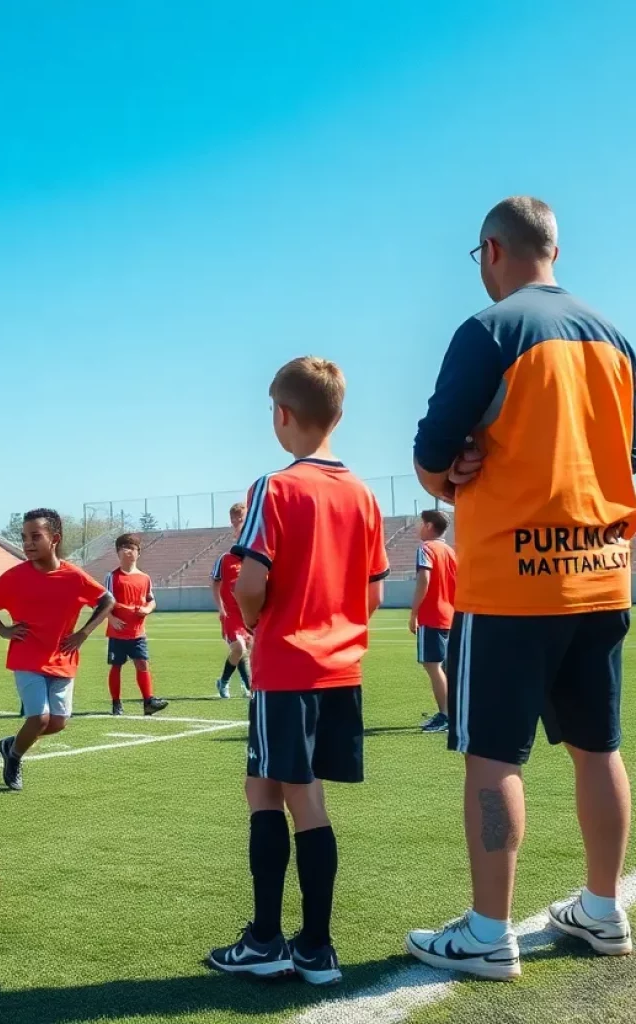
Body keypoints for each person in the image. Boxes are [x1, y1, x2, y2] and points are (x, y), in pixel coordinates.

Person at [409, 197, 635, 980]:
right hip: (603, 577)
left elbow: (433, 451)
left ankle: (488, 929)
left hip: (512, 582)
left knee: (491, 756)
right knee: (598, 748)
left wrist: (451, 470)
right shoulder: (615, 338)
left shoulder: (490, 329)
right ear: (557, 251)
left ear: (493, 250)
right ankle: (604, 910)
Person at [207, 357, 388, 984]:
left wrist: (257, 622)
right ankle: (315, 947)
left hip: (287, 664)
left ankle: (270, 941)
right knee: (310, 798)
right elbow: (373, 596)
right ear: (338, 414)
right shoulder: (363, 493)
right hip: (342, 669)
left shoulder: (275, 487)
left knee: (265, 791)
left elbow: (250, 579)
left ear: (282, 415)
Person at [0, 508, 114, 791]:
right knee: (39, 717)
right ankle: (15, 758)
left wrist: (83, 633)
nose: (27, 543)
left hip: (63, 657)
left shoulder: (74, 576)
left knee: (57, 723)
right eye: (24, 537)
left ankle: (9, 746)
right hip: (27, 656)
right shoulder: (15, 576)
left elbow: (107, 600)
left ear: (55, 538)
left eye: (35, 536)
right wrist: (3, 630)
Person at [103, 533, 168, 717]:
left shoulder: (144, 578)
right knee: (116, 666)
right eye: (124, 548)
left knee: (142, 664)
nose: (128, 551)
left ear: (138, 552)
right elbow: (104, 602)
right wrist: (111, 618)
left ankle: (148, 701)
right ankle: (116, 703)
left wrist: (147, 610)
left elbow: (151, 601)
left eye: (132, 548)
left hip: (138, 632)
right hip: (118, 632)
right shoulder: (112, 577)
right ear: (118, 552)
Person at [409, 510, 457, 733]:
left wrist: (414, 612)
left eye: (421, 523)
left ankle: (445, 716)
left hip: (433, 616)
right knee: (444, 666)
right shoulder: (449, 550)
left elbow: (424, 579)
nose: (419, 527)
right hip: (451, 615)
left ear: (429, 526)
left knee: (433, 665)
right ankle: (451, 713)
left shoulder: (426, 549)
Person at [210, 502, 252, 698]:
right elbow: (215, 582)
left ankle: (247, 685)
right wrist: (220, 607)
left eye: (241, 518)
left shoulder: (256, 560)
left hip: (251, 613)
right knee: (239, 647)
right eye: (234, 519)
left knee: (245, 650)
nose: (237, 524)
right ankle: (224, 682)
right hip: (231, 613)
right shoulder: (226, 559)